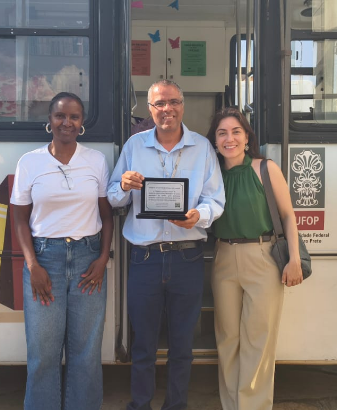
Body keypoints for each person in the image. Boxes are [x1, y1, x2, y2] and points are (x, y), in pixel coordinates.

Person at [108, 80, 225, 410]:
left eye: (173, 102)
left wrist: (197, 217)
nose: (167, 109)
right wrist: (124, 185)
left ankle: (176, 405)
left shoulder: (202, 148)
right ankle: (140, 404)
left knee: (181, 346)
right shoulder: (134, 146)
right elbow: (113, 197)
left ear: (183, 106)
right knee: (143, 344)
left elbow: (215, 200)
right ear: (150, 109)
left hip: (187, 259)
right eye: (159, 104)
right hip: (144, 259)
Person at [10, 92, 113, 410]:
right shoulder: (30, 162)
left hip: (88, 260)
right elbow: (19, 219)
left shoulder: (95, 160)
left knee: (86, 351)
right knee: (43, 352)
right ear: (49, 121)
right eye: (60, 116)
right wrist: (33, 265)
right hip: (45, 260)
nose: (67, 122)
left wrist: (102, 259)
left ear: (82, 123)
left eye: (74, 117)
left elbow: (107, 216)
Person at [207, 107, 303, 410]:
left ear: (247, 138)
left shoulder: (265, 169)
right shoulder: (211, 176)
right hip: (222, 257)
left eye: (236, 131)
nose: (229, 138)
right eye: (222, 133)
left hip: (262, 257)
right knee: (227, 340)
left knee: (258, 340)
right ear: (215, 140)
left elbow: (288, 216)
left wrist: (295, 259)